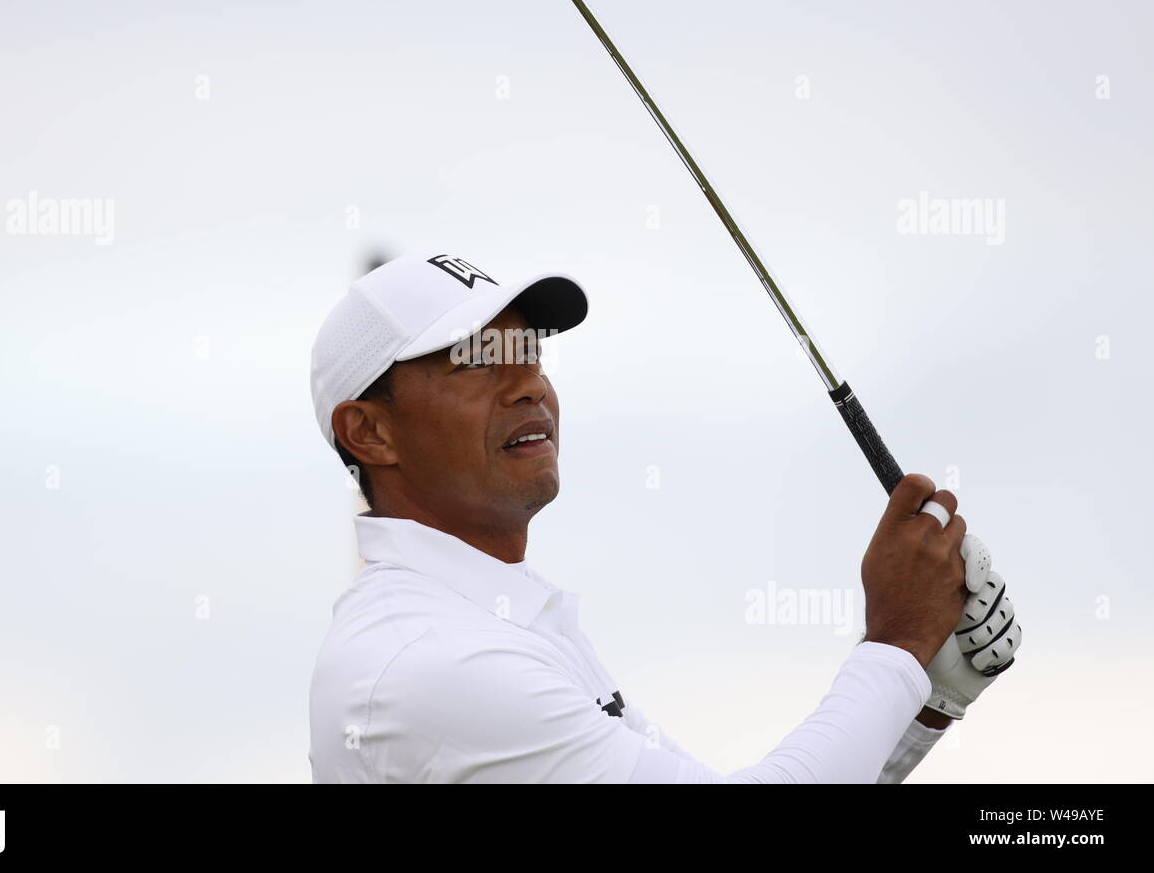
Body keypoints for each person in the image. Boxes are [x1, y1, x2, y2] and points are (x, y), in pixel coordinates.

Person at [307, 253, 1022, 782]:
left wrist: (925, 697)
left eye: (530, 351)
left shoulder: (494, 622)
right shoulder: (430, 659)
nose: (528, 384)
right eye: (477, 359)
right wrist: (896, 649)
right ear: (370, 432)